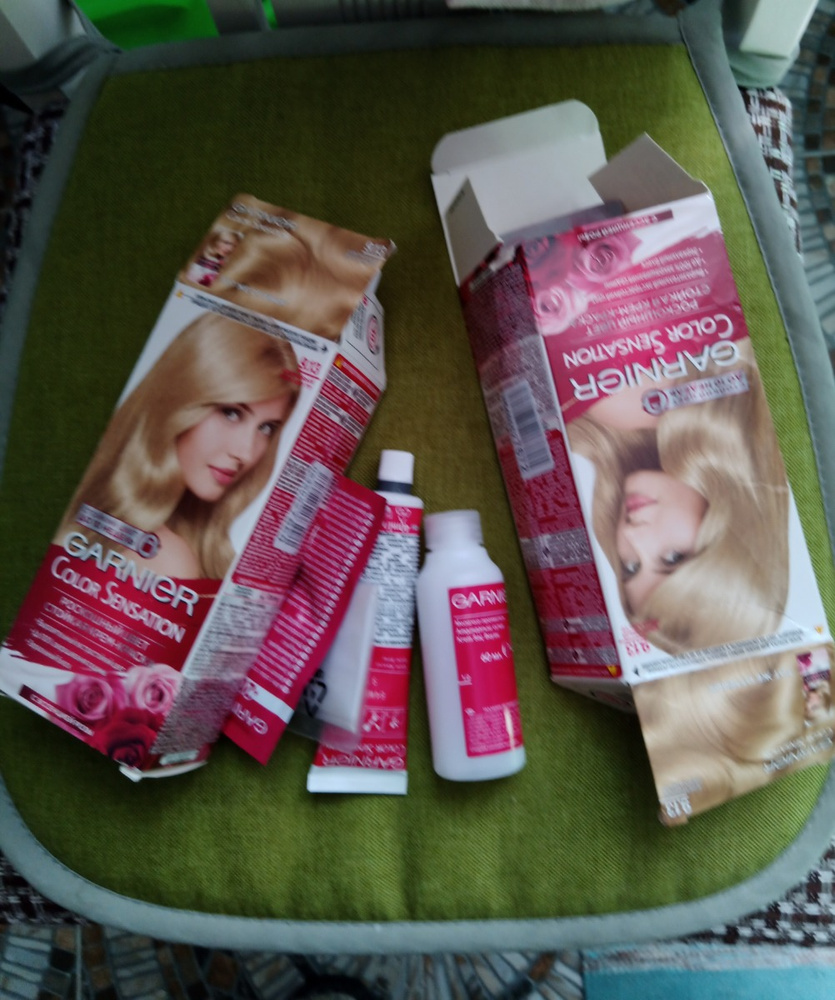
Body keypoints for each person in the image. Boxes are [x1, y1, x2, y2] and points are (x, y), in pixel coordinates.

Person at [567, 338, 789, 655]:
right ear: (738, 533)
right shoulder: (630, 403)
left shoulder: (614, 428)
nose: (633, 535)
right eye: (673, 558)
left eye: (630, 567)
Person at [55, 313, 300, 579]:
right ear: (181, 398)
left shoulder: (101, 507)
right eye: (231, 413)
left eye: (266, 428)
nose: (246, 453)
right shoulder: (165, 556)